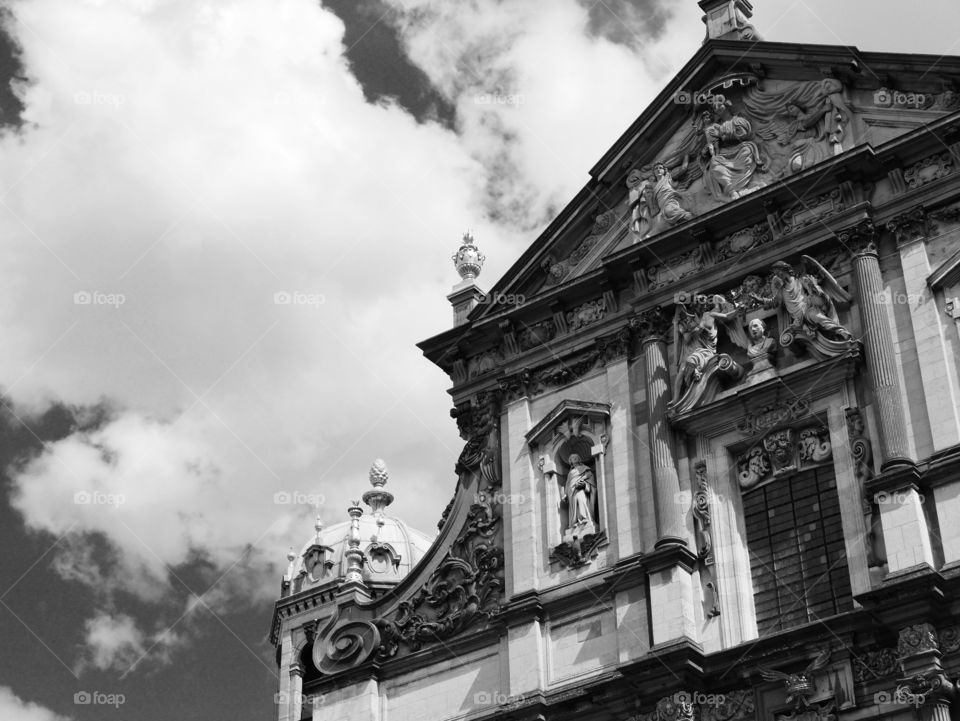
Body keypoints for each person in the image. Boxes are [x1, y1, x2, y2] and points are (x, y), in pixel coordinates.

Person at [563, 454, 596, 529]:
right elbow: (567, 483)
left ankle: (584, 518)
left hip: (579, 488)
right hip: (571, 490)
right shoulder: (570, 472)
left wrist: (585, 485)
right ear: (570, 461)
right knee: (574, 505)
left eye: (575, 457)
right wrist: (565, 494)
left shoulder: (585, 468)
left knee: (581, 500)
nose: (573, 459)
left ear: (579, 459)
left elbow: (590, 477)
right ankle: (575, 522)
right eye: (571, 458)